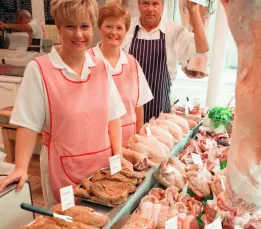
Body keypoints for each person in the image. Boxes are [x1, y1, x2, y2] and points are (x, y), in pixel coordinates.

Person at [0, 0, 126, 208]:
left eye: (84, 26)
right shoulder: (40, 69)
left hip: (101, 170)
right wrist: (21, 167)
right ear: (58, 28)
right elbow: (28, 123)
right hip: (62, 168)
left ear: (92, 28)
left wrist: (118, 154)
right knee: (67, 227)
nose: (78, 34)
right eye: (70, 26)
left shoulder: (101, 67)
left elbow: (113, 116)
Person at [123, 0, 209, 123]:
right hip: (129, 110)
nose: (150, 9)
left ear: (163, 6)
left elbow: (202, 48)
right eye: (145, 3)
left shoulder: (174, 31)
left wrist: (194, 11)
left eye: (155, 4)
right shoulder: (126, 28)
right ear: (139, 6)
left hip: (160, 111)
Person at [89, 3, 153, 148]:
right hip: (97, 141)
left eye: (119, 28)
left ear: (126, 31)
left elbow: (138, 105)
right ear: (99, 28)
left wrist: (138, 137)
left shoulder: (132, 63)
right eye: (108, 26)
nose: (114, 32)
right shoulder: (87, 61)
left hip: (127, 140)